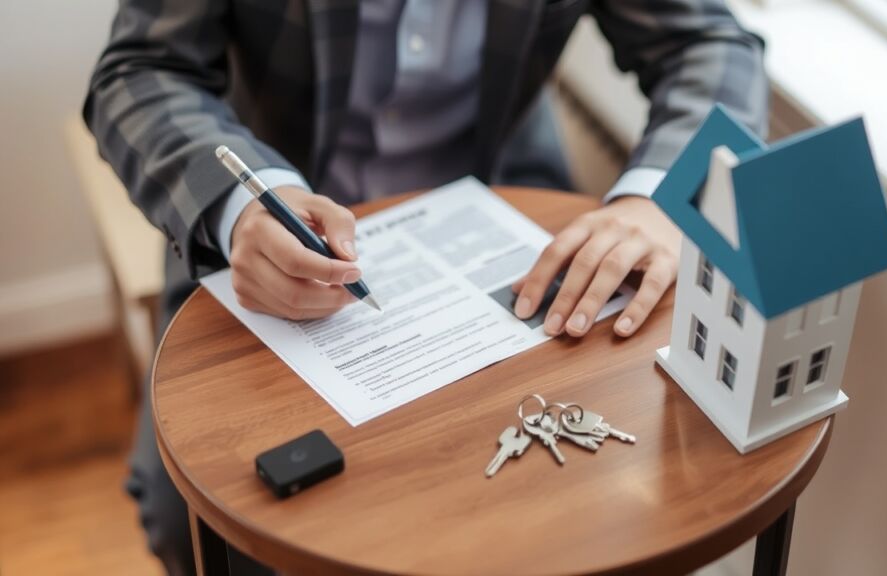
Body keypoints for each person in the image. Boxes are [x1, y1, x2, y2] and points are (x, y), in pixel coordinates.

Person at [85, 0, 767, 573]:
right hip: (268, 228)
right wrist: (243, 207)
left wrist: (658, 200)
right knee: (195, 522)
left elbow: (711, 43)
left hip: (509, 215)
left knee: (576, 507)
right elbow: (138, 72)